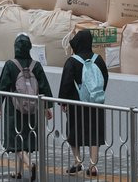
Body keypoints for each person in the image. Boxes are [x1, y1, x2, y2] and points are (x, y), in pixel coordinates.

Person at [0, 33, 54, 181]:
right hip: (33, 109)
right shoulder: (36, 66)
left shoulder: (10, 65)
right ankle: (18, 172)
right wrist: (47, 107)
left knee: (15, 141)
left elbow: (2, 86)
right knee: (26, 137)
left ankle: (29, 164)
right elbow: (44, 87)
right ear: (29, 48)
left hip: (14, 109)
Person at [58, 30, 109, 177]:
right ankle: (93, 166)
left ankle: (77, 162)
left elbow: (66, 82)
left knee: (74, 132)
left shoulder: (72, 61)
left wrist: (63, 100)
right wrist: (96, 94)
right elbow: (104, 78)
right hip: (96, 103)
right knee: (94, 133)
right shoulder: (98, 59)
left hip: (76, 104)